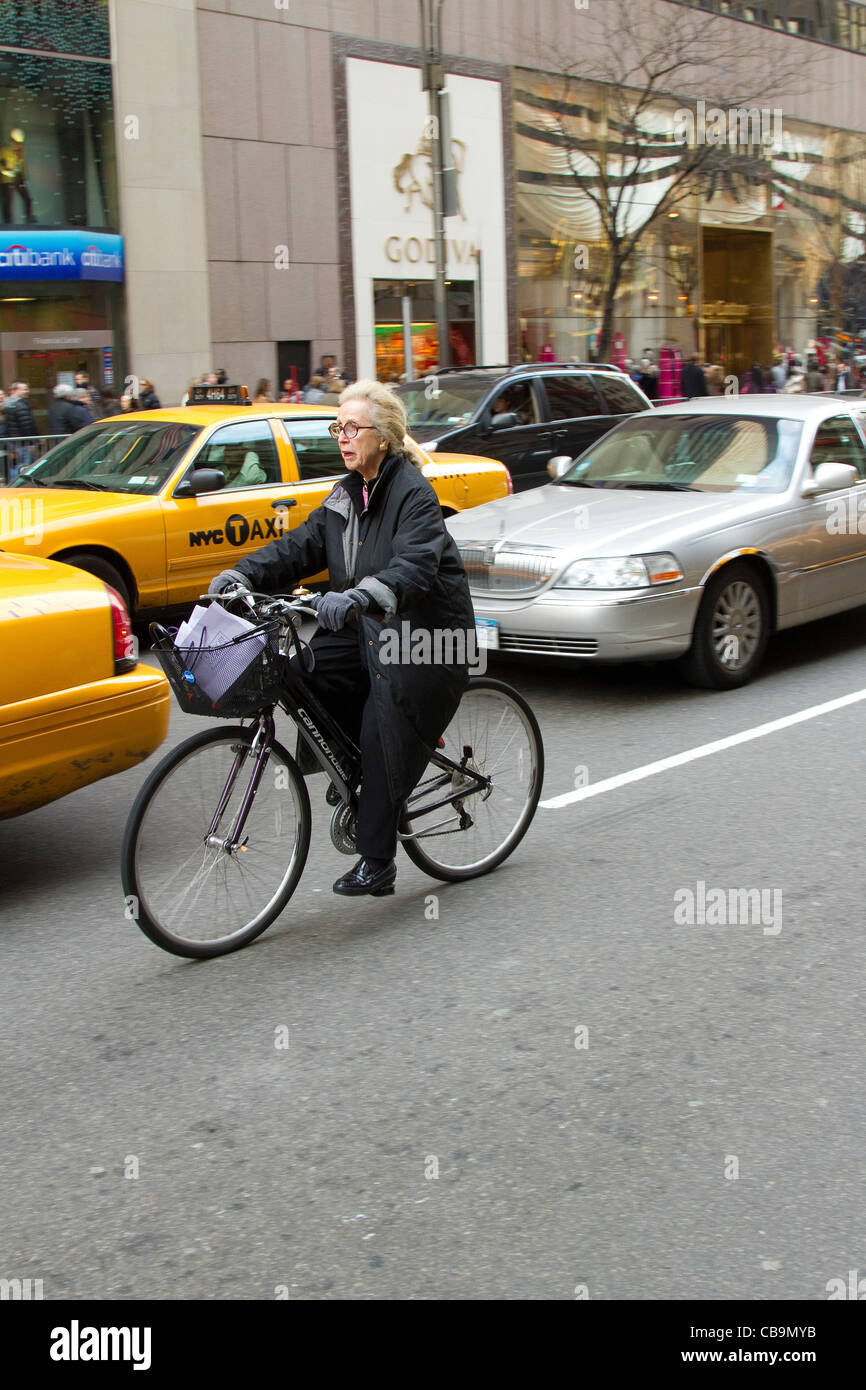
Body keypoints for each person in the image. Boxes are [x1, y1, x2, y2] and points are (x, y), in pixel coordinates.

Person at [209, 379, 476, 899]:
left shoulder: (412, 494)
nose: (342, 436)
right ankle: (351, 764)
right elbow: (300, 546)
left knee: (382, 732)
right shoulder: (346, 493)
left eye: (353, 427)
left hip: (426, 637)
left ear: (385, 435)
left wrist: (361, 595)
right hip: (368, 629)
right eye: (338, 426)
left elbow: (415, 567)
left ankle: (378, 861)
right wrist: (243, 574)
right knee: (297, 664)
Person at [2, 380, 37, 480]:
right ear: (15, 390)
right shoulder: (21, 405)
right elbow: (26, 424)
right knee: (25, 466)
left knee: (17, 466)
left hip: (14, 443)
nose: (27, 391)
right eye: (24, 389)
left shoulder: (7, 405)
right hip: (23, 443)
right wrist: (31, 442)